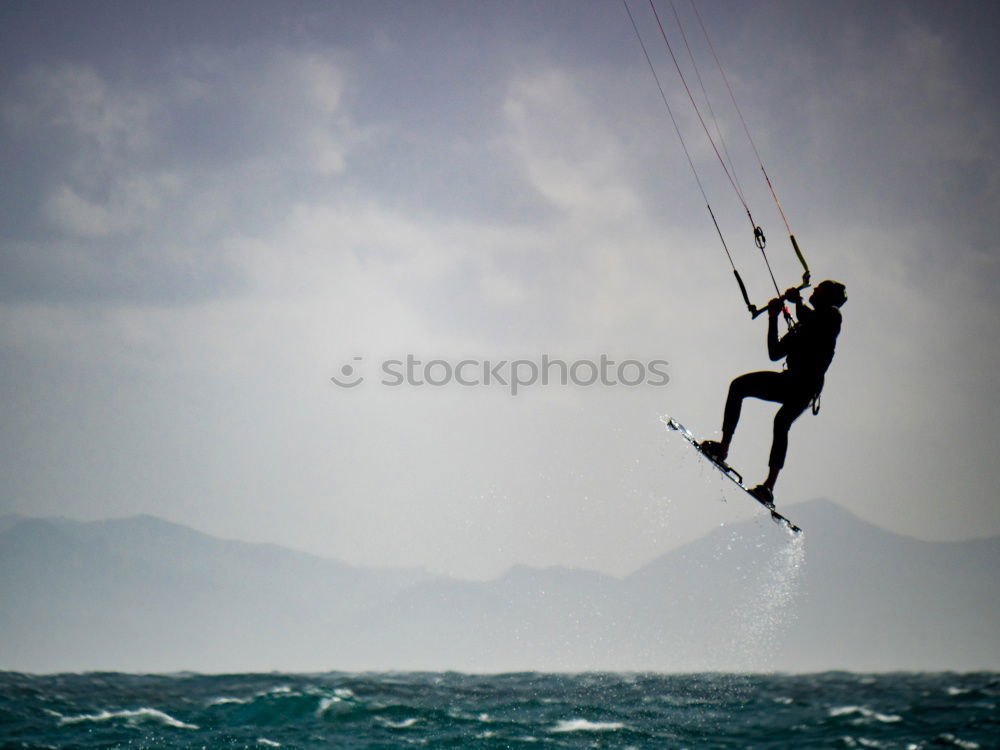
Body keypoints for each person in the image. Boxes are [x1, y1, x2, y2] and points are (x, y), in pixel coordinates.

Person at [699, 279, 847, 505]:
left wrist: (796, 302)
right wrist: (773, 317)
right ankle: (724, 447)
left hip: (805, 387)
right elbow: (775, 352)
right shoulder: (801, 327)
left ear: (828, 297)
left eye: (819, 289)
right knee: (739, 386)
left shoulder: (832, 316)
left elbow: (814, 320)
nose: (814, 291)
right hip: (789, 381)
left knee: (781, 422)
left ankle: (769, 486)